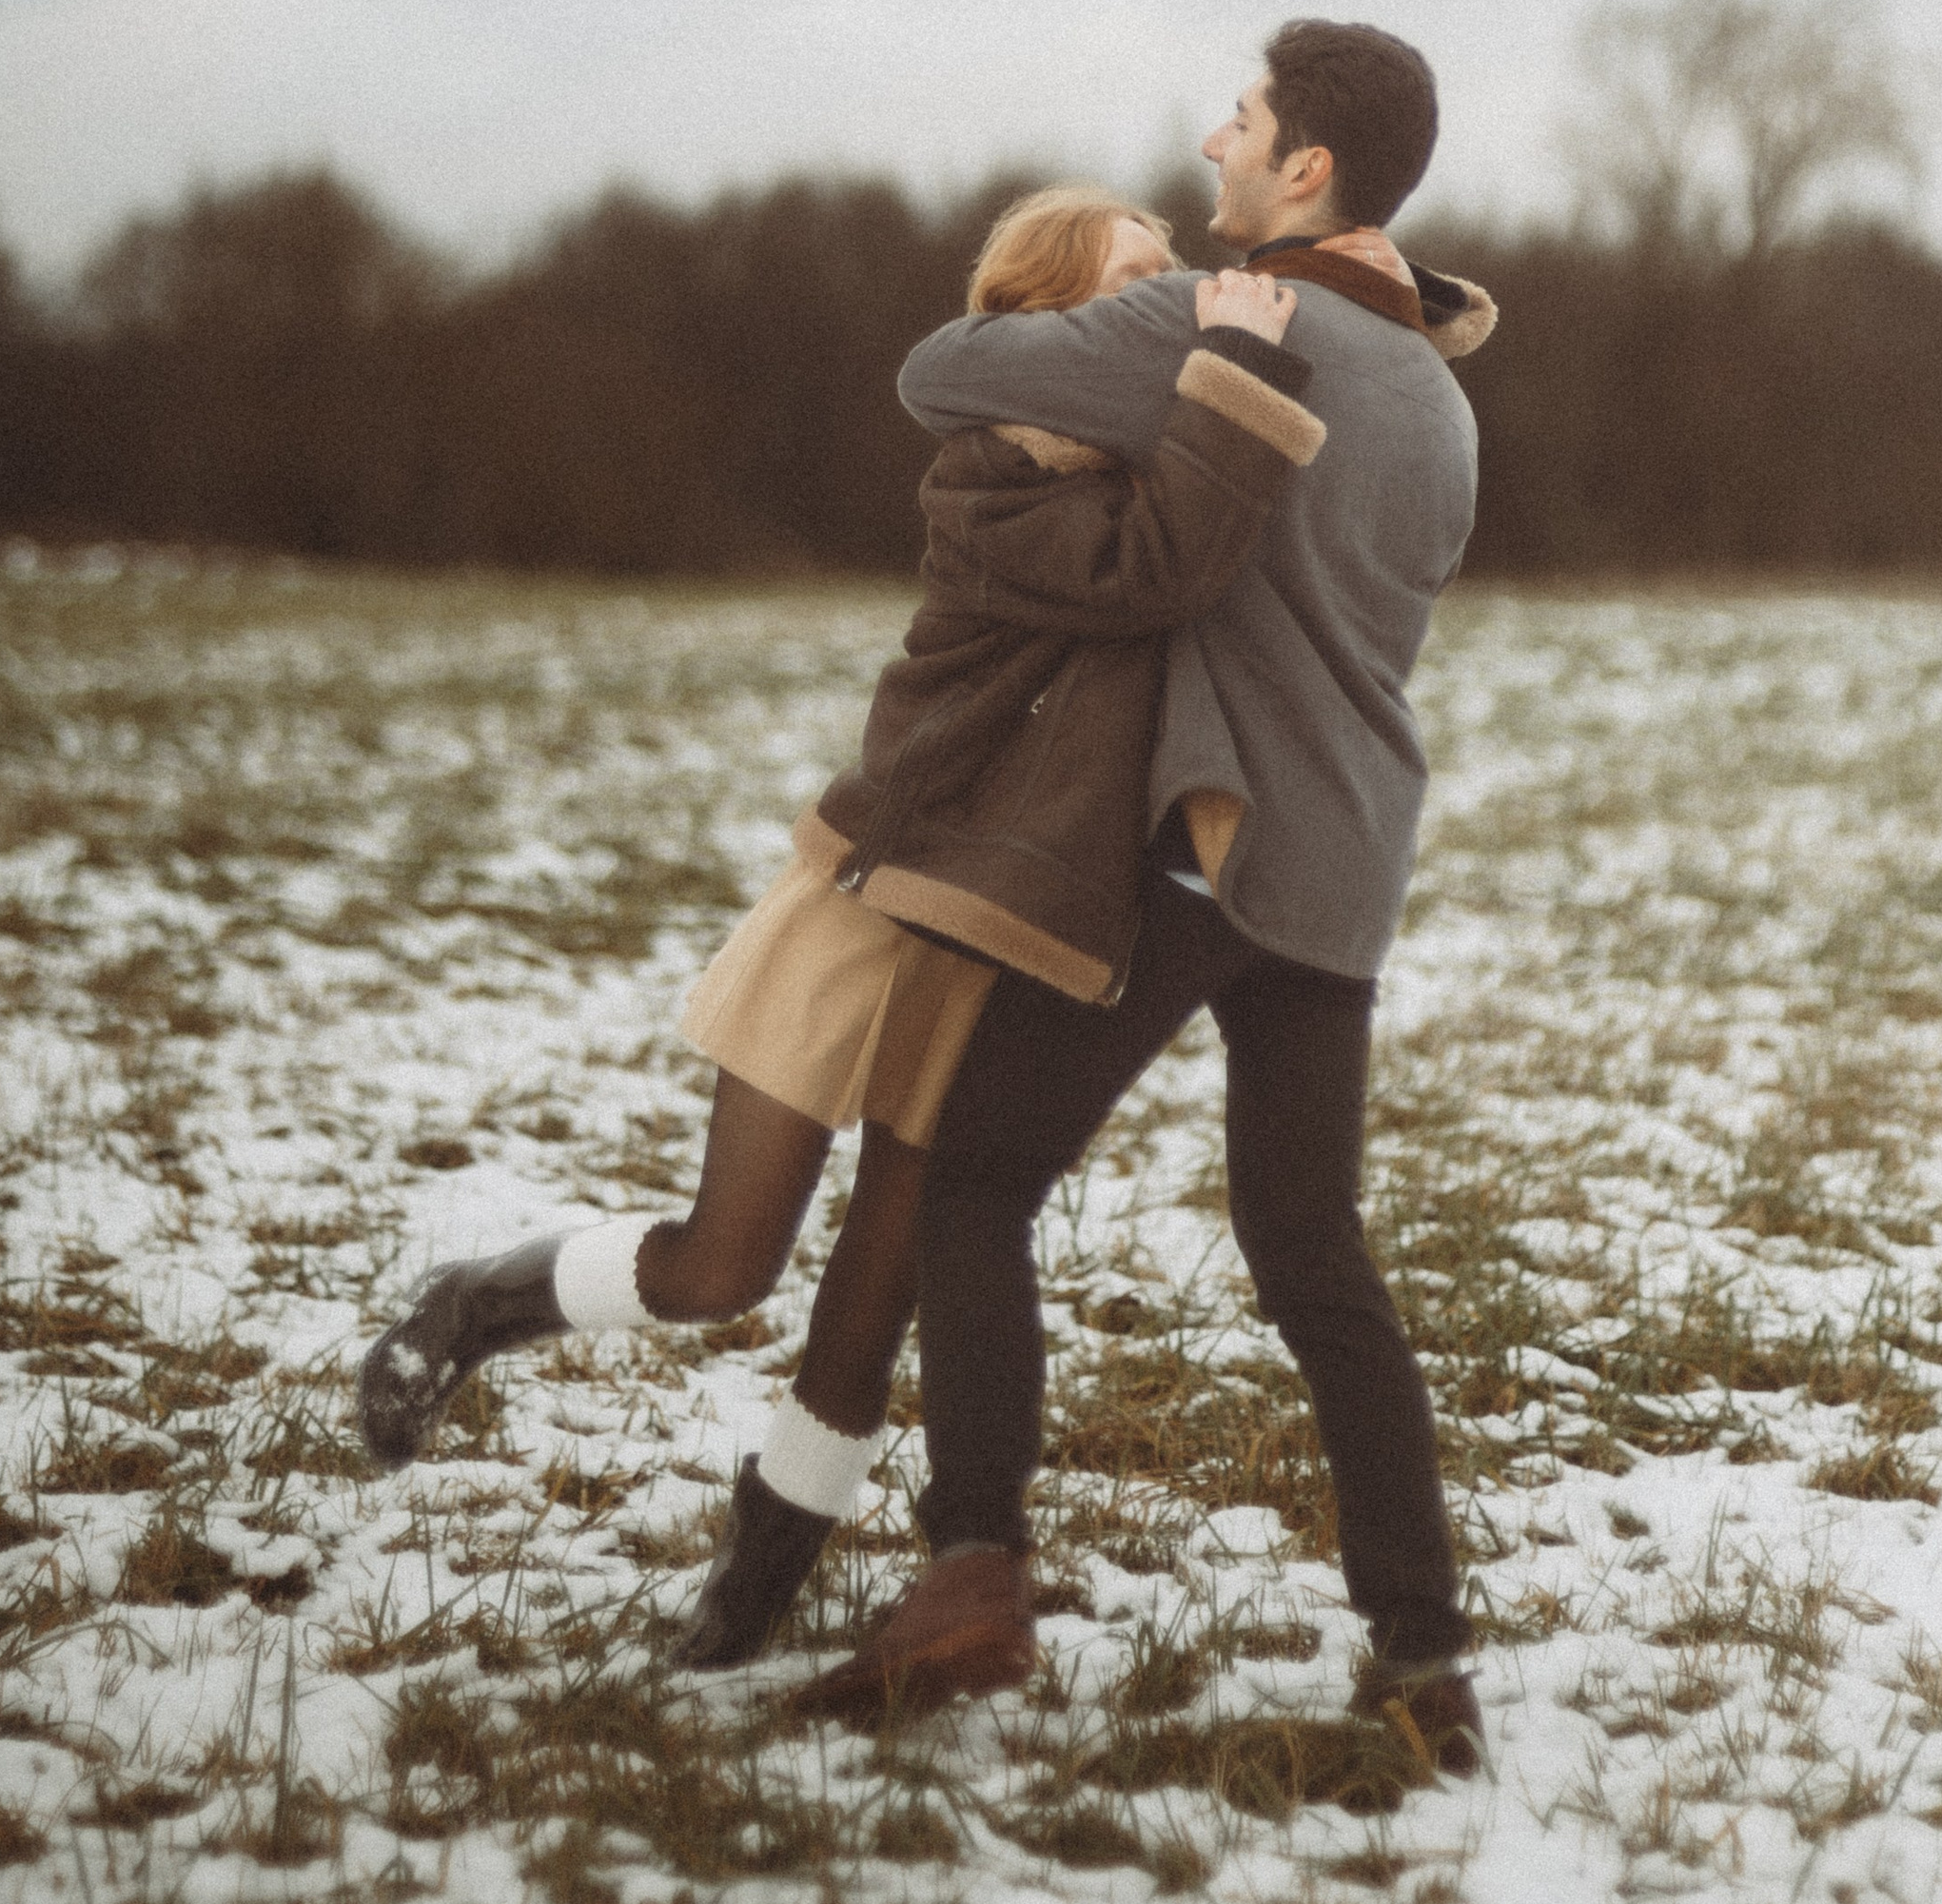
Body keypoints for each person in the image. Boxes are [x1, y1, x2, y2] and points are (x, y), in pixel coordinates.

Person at [355, 183, 1327, 1664]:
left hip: (1014, 949)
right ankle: (483, 1303)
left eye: (1172, 286)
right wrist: (1243, 380)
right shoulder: (992, 478)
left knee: (876, 1304)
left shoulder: (1175, 463)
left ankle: (754, 1589)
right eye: (1129, 291)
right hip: (879, 901)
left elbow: (1232, 531)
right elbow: (1156, 568)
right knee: (723, 1267)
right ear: (1040, 325)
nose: (1166, 312)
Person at [797, 20, 1497, 1777]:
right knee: (1312, 1250)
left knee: (974, 1180)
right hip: (1347, 856)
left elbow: (941, 375)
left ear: (1308, 169)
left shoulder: (1221, 321)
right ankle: (1426, 1659)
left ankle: (970, 1581)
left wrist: (1189, 353)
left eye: (1243, 123)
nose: (1212, 144)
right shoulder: (1442, 389)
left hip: (1213, 839)